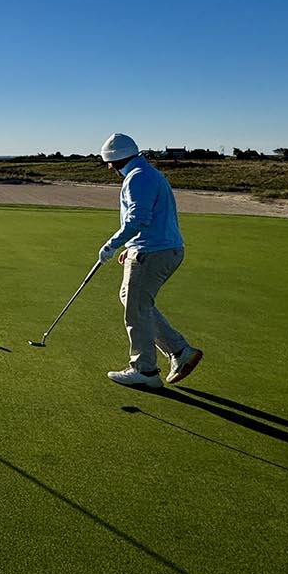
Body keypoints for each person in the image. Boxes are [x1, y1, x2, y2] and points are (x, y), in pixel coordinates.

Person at [95, 133, 204, 388]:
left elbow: (139, 218)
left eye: (109, 162)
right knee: (131, 299)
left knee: (137, 308)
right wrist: (131, 245)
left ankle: (145, 370)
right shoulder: (146, 173)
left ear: (115, 160)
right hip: (157, 248)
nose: (109, 167)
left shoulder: (137, 177)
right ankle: (179, 351)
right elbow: (150, 218)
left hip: (153, 251)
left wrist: (112, 245)